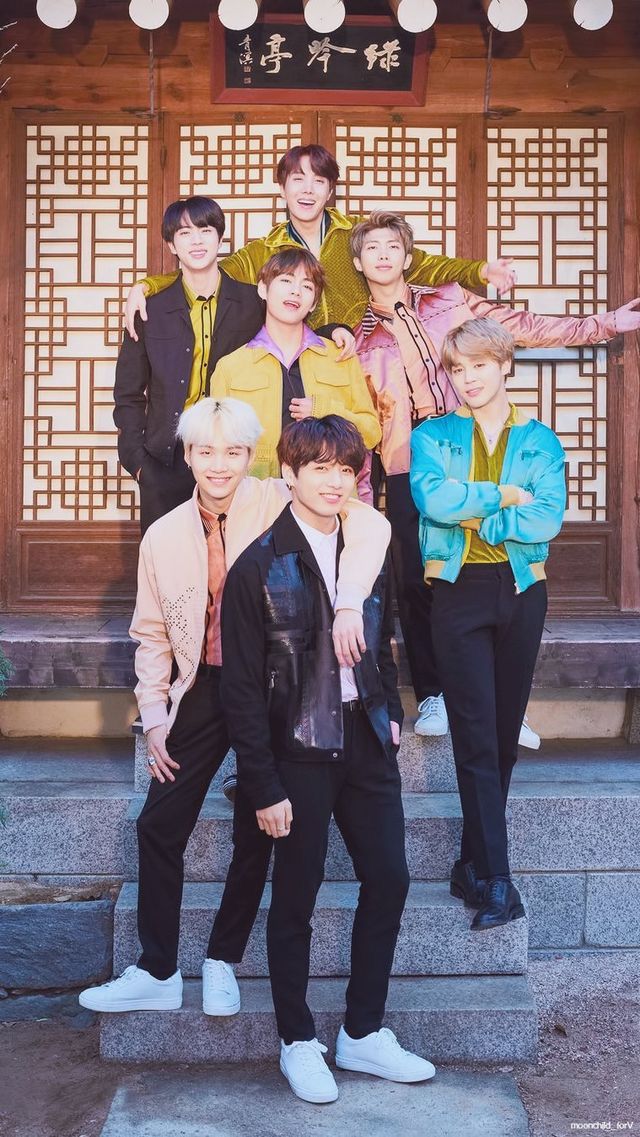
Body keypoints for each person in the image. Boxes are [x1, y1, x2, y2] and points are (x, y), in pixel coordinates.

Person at [78, 397, 391, 1016]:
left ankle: (224, 957)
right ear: (188, 456)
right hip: (202, 685)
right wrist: (155, 713)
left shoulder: (281, 499)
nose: (219, 465)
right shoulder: (164, 534)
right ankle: (158, 968)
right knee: (158, 822)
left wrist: (351, 601)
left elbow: (371, 527)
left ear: (252, 457)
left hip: (276, 689)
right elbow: (151, 632)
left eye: (233, 452)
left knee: (257, 824)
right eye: (206, 451)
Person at [350, 209, 640, 741]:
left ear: (409, 256)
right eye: (372, 248)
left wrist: (603, 325)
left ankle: (503, 702)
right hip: (408, 461)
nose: (383, 255)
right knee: (417, 579)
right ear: (358, 262)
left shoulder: (450, 300)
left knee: (491, 568)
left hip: (474, 441)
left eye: (393, 245)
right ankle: (436, 695)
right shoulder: (356, 336)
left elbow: (521, 325)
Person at [220, 415, 435, 1104]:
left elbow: (385, 639)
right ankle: (297, 1039)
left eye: (346, 468)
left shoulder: (367, 544)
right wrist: (263, 784)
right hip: (298, 751)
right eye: (319, 467)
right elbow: (240, 690)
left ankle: (363, 1031)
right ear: (289, 473)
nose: (335, 480)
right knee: (295, 897)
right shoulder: (257, 565)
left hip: (366, 743)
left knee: (391, 878)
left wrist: (390, 712)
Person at [410, 317, 567, 930]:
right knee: (475, 734)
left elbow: (546, 519)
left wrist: (475, 513)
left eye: (479, 365)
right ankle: (499, 881)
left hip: (524, 590)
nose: (468, 378)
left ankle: (470, 864)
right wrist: (505, 497)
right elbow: (433, 501)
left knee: (501, 738)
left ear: (504, 366)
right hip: (459, 591)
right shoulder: (433, 434)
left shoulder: (540, 439)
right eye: (457, 369)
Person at [122, 143, 517, 341]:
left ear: (330, 191)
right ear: (282, 189)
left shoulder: (358, 234)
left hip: (365, 352)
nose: (307, 190)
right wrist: (148, 286)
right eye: (298, 180)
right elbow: (208, 274)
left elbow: (421, 263)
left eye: (319, 181)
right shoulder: (265, 248)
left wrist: (481, 270)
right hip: (300, 360)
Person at [113, 196, 265, 534]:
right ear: (171, 244)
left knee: (233, 557)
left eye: (205, 230)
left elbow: (293, 330)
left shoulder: (253, 303)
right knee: (168, 558)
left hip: (231, 455)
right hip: (165, 458)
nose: (196, 240)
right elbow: (128, 392)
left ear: (220, 238)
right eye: (184, 233)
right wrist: (137, 462)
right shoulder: (149, 310)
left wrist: (333, 331)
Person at [210, 246, 381, 480]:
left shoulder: (340, 357)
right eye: (286, 280)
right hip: (257, 493)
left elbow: (371, 434)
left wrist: (326, 412)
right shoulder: (231, 367)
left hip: (329, 494)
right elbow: (218, 446)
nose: (296, 291)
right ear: (263, 289)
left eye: (307, 286)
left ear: (314, 303)